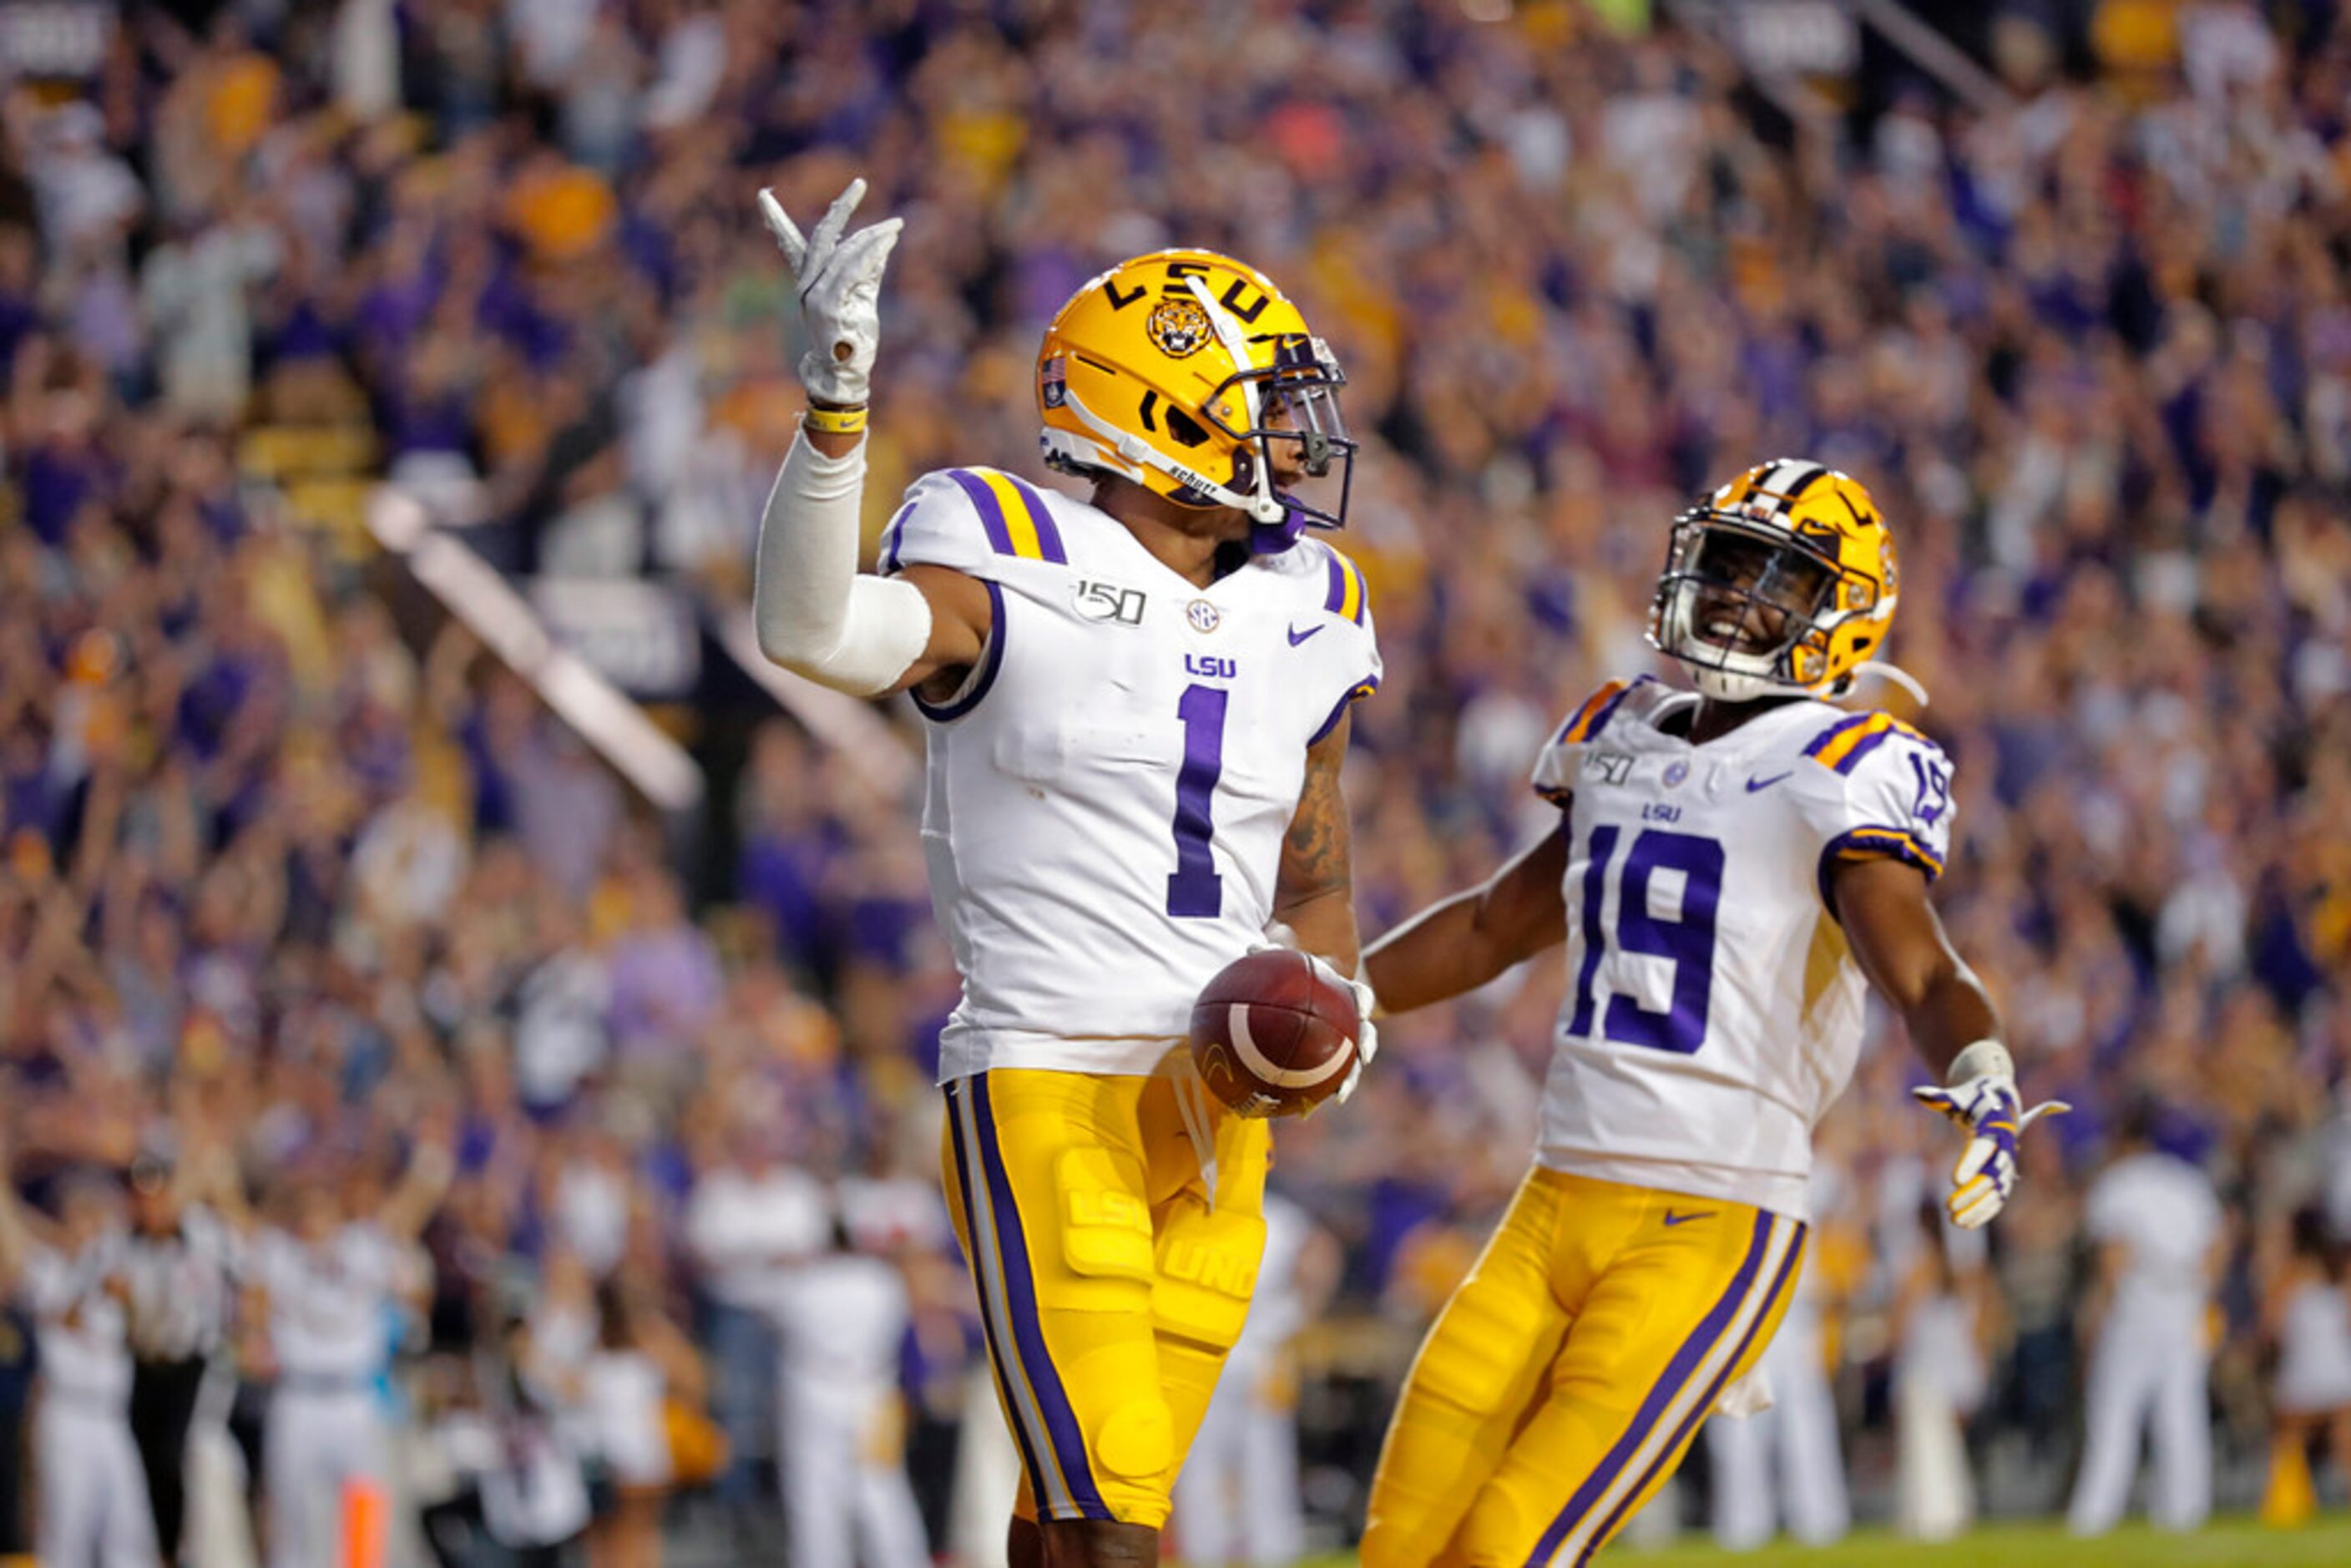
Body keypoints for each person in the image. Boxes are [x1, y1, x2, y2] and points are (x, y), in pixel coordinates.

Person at [750, 178, 1381, 1568]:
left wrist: (1334, 1004)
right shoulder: (1003, 540)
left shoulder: (1312, 603)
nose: (1290, 435)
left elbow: (1315, 848)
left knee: (1072, 1513)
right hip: (1050, 1077)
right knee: (1113, 1513)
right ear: (1153, 416)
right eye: (1252, 402)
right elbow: (810, 632)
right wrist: (836, 411)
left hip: (1220, 1106)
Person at [1350, 462, 2065, 1566]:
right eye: (1727, 563)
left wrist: (1982, 1068)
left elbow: (1920, 970)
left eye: (1775, 578)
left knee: (1502, 1545)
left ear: (1843, 614)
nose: (1735, 594)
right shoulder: (1622, 731)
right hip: (1552, 1202)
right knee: (1401, 1543)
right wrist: (1348, 990)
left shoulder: (1843, 763)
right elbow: (1495, 926)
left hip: (1711, 1217)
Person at [239, 1138, 452, 1568]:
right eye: (306, 1210)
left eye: (322, 1209)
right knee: (291, 1525)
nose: (313, 1219)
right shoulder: (280, 1254)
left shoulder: (363, 1247)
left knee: (362, 1528)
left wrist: (428, 1164)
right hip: (298, 1399)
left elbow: (404, 1216)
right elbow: (250, 1281)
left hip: (354, 1402)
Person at [2066, 1100, 2225, 1537]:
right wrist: (2201, 1296)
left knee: (2113, 1416)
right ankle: (2185, 1513)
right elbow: (2216, 1250)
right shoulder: (2188, 1183)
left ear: (2125, 1138)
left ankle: (2094, 1517)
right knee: (2181, 1416)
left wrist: (2096, 1318)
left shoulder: (2117, 1185)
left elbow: (2112, 1260)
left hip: (2135, 1310)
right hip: (2185, 1306)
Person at [0, 1159, 159, 1568]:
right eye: (81, 1215)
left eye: (96, 1216)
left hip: (113, 1416)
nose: (91, 1226)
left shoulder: (119, 1268)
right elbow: (63, 1314)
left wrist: (127, 1300)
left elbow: (144, 1334)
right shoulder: (48, 1270)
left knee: (129, 1531)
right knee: (66, 1534)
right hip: (66, 1414)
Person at [1170, 1191, 1340, 1568]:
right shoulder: (1272, 1216)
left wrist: (1294, 1317)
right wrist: (1296, 1315)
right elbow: (1319, 1262)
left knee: (1231, 1459)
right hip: (1245, 1351)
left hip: (1226, 1351)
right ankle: (1254, 1549)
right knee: (1247, 1459)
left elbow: (1319, 1258)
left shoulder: (1268, 1215)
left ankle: (1225, 1550)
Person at [771, 1214, 931, 1568]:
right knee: (884, 1489)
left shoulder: (798, 1282)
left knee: (815, 1496)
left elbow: (776, 1325)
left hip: (815, 1393)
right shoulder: (883, 1279)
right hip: (876, 1393)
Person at [119, 1147, 241, 1565]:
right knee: (149, 1464)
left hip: (196, 1363)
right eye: (142, 1194)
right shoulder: (123, 1246)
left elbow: (247, 1276)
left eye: (158, 1192)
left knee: (191, 1455)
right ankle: (164, 1552)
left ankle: (198, 1552)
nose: (151, 1204)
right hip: (146, 1366)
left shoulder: (204, 1237)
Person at [2259, 1207, 2351, 1525]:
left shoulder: (2288, 1277)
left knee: (2289, 1445)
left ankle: (2283, 1506)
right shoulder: (2338, 1274)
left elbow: (2271, 1327)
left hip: (2304, 1374)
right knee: (2344, 1447)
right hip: (2335, 1373)